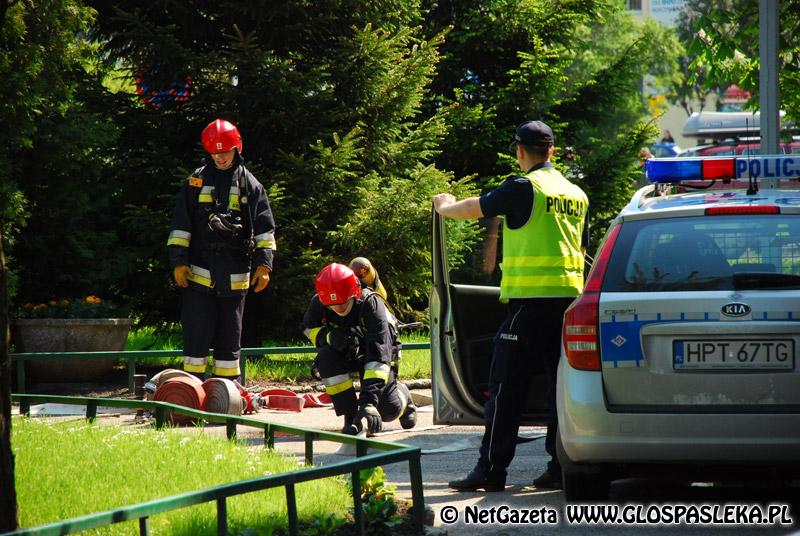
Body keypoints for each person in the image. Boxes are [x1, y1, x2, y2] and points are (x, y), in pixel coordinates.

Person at [433, 120, 588, 492]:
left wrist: (445, 207)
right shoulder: (575, 194)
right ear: (551, 150)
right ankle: (560, 466)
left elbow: (477, 208)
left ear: (520, 151)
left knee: (505, 390)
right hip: (570, 306)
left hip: (528, 306)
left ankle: (491, 470)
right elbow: (581, 251)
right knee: (561, 391)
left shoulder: (523, 187)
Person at [167, 118, 276, 382]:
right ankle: (190, 392)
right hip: (198, 275)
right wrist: (178, 262)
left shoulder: (251, 185)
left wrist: (264, 265)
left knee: (230, 339)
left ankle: (227, 394)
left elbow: (264, 229)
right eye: (216, 152)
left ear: (236, 148)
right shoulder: (195, 181)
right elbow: (181, 225)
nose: (221, 157)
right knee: (196, 338)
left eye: (225, 151)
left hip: (235, 274)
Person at [303, 263, 416, 435]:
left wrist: (368, 402)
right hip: (348, 353)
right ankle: (351, 418)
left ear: (354, 293)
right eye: (333, 305)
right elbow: (308, 329)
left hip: (380, 353)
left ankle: (404, 397)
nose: (339, 308)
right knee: (326, 357)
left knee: (387, 410)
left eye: (343, 302)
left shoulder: (371, 304)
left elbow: (379, 355)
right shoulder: (320, 301)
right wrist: (328, 337)